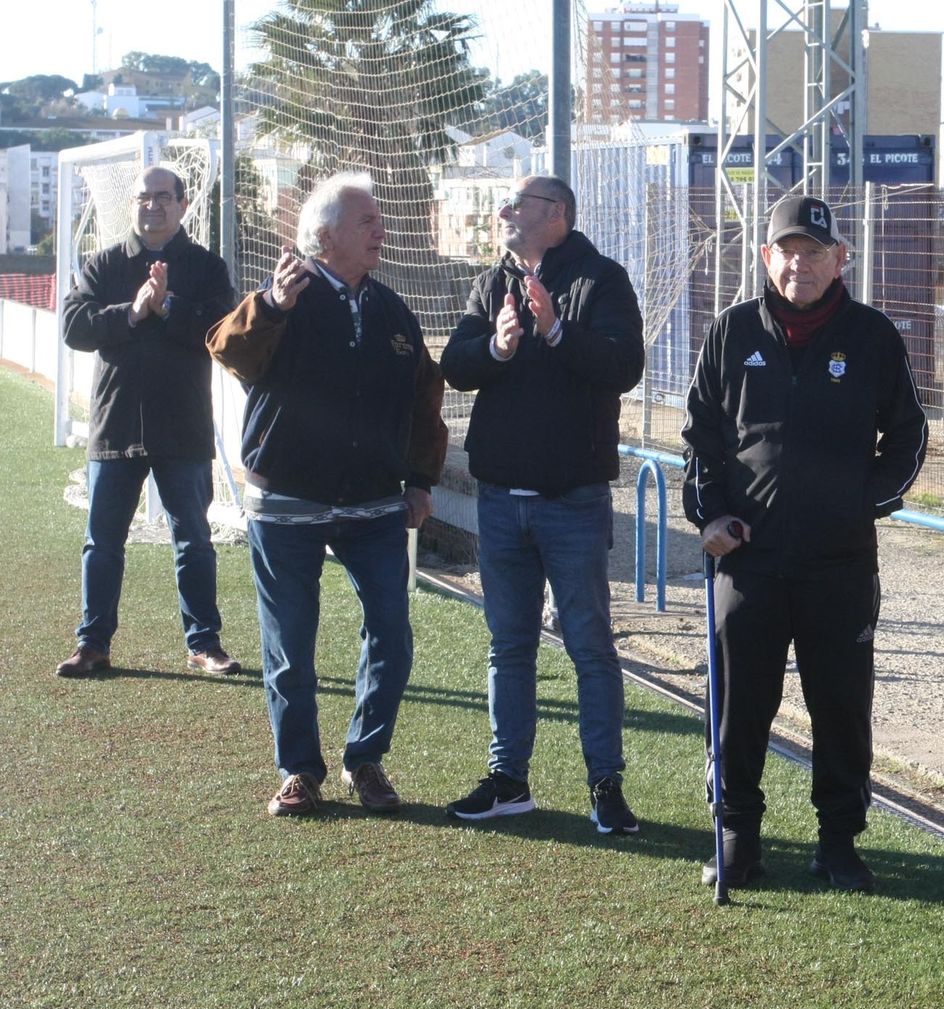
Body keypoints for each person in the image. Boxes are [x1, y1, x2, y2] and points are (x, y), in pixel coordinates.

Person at [681, 195, 927, 892]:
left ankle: (839, 840)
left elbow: (909, 436)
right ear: (767, 258)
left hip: (839, 563)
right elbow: (702, 438)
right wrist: (710, 517)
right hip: (748, 559)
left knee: (841, 705)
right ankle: (737, 834)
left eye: (816, 252)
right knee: (737, 704)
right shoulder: (732, 332)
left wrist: (860, 502)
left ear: (839, 260)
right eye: (788, 251)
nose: (801, 264)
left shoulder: (872, 335)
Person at [206, 172, 447, 818]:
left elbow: (427, 398)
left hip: (374, 505)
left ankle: (364, 760)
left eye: (378, 219)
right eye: (366, 220)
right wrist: (273, 306)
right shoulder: (284, 297)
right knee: (291, 642)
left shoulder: (393, 310)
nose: (380, 229)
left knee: (392, 635)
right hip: (285, 503)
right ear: (326, 234)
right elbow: (227, 350)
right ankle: (299, 771)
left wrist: (421, 479)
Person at [439, 176, 645, 833]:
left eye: (518, 204)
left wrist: (555, 330)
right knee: (509, 646)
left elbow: (623, 365)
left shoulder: (601, 280)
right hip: (501, 502)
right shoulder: (491, 281)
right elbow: (455, 363)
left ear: (555, 214)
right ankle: (508, 780)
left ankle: (605, 785)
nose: (505, 212)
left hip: (573, 503)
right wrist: (497, 347)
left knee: (589, 646)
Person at [57, 165, 240, 678]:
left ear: (183, 205)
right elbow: (74, 326)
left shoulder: (205, 267)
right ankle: (93, 645)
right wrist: (133, 312)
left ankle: (204, 644)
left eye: (163, 197)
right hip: (114, 429)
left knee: (194, 541)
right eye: (143, 197)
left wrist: (168, 307)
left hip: (183, 430)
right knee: (102, 541)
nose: (152, 206)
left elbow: (221, 330)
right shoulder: (104, 263)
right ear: (132, 204)